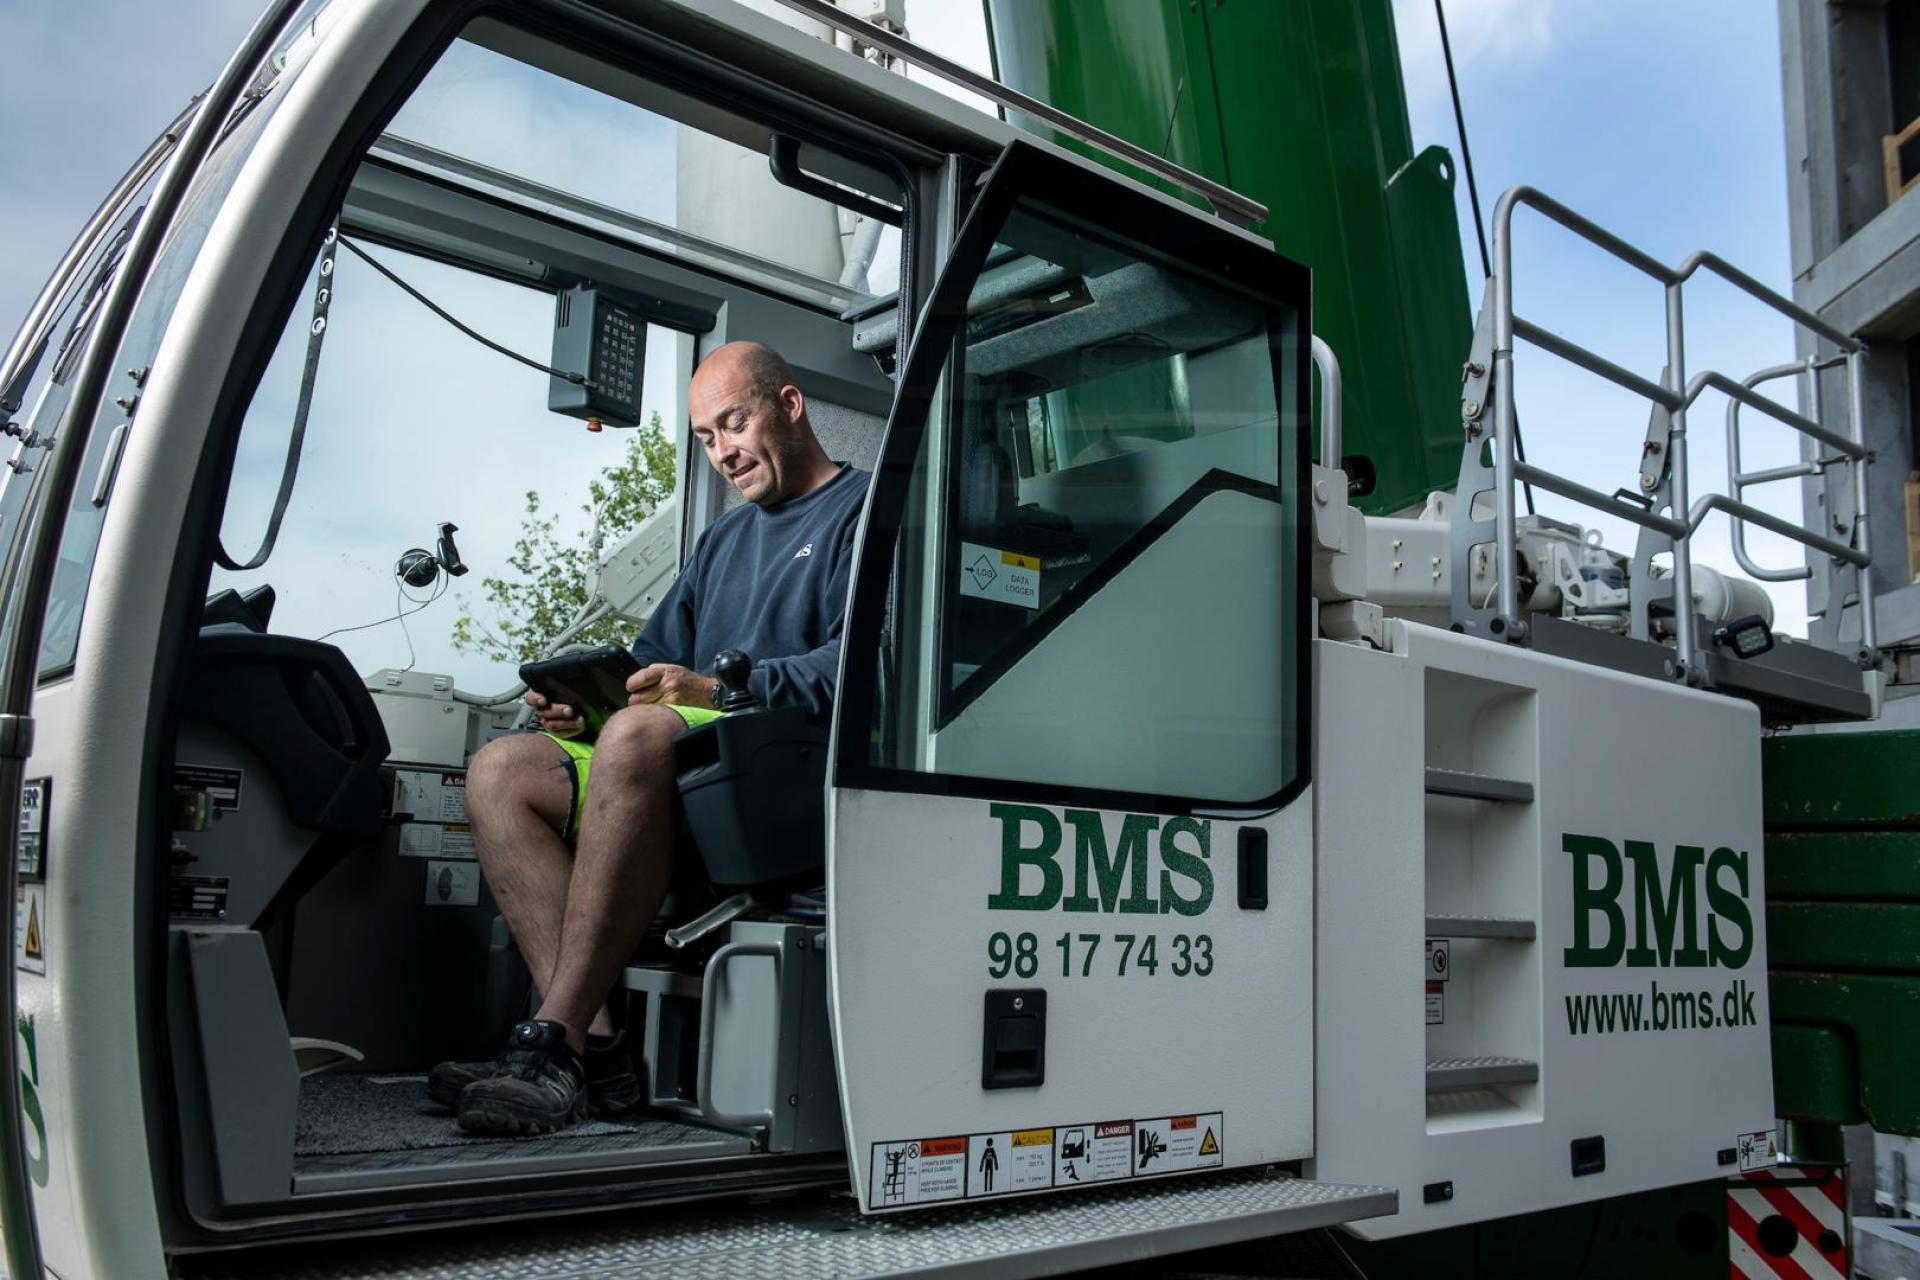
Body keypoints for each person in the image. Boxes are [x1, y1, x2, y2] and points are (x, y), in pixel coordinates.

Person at [431, 341, 869, 1134]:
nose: (723, 453)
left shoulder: (864, 512)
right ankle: (596, 1053)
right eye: (705, 439)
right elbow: (649, 667)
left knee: (635, 739)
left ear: (790, 406)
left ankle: (551, 1041)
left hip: (784, 777)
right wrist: (582, 705)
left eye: (733, 424)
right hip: (680, 760)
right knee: (502, 770)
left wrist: (718, 687)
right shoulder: (723, 542)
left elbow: (861, 670)